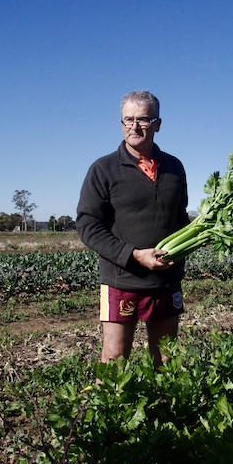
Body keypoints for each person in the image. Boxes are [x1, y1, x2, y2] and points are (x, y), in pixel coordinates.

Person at [76, 90, 189, 368]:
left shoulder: (175, 168)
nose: (134, 126)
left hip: (165, 281)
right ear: (121, 123)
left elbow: (180, 218)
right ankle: (112, 412)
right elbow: (88, 225)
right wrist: (134, 255)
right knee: (115, 360)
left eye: (143, 119)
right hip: (121, 280)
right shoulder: (103, 169)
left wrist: (204, 233)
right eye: (128, 120)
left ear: (158, 124)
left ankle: (164, 412)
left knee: (166, 360)